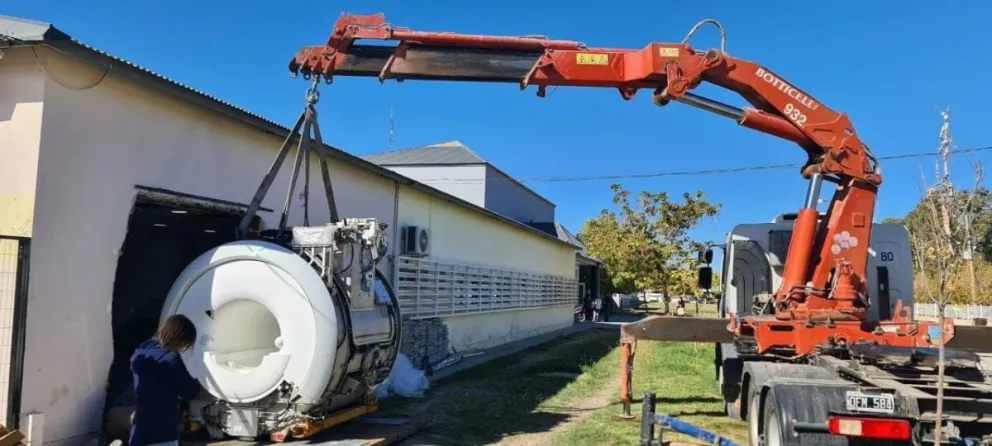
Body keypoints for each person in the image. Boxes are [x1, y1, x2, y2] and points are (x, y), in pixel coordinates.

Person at [128, 314, 201, 446]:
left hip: (139, 431)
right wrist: (198, 382)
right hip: (162, 433)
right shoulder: (170, 359)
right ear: (181, 340)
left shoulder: (143, 351)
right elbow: (190, 391)